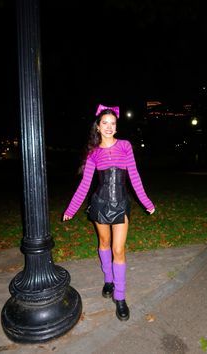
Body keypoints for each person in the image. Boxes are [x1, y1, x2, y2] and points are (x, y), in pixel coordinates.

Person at [63, 104, 155, 321]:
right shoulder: (93, 153)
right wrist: (71, 209)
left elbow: (134, 177)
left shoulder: (125, 146)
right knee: (104, 243)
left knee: (118, 249)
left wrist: (146, 201)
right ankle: (108, 279)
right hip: (100, 205)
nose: (108, 127)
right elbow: (85, 185)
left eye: (112, 123)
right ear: (98, 126)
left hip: (121, 203)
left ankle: (120, 297)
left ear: (116, 127)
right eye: (104, 123)